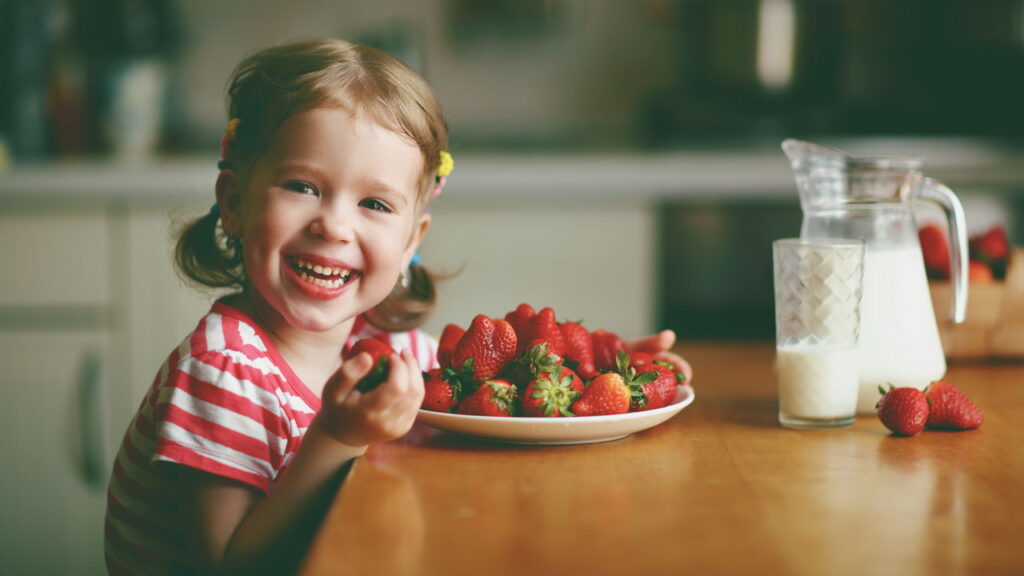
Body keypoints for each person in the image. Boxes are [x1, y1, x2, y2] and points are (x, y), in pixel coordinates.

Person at [104, 38, 691, 575]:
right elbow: (231, 565)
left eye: (375, 205)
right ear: (233, 202)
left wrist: (599, 371)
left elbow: (484, 398)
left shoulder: (394, 348)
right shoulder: (222, 371)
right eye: (303, 186)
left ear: (414, 239)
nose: (333, 224)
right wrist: (336, 437)